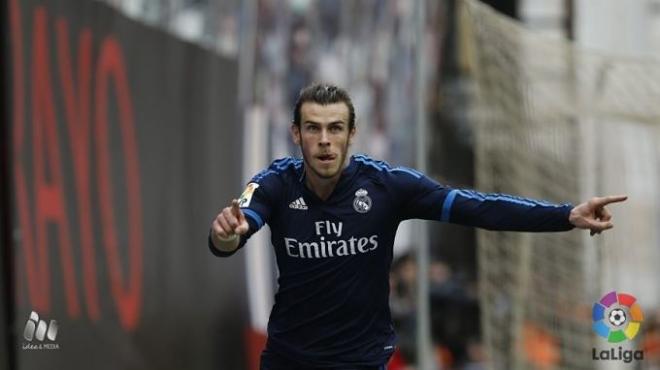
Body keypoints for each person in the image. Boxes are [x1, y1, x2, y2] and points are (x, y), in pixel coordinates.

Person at [208, 83, 626, 370]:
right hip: (289, 359)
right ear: (296, 134)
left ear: (352, 134)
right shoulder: (275, 182)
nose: (324, 140)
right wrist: (226, 236)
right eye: (313, 129)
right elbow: (237, 229)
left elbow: (477, 207)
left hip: (361, 360)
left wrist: (565, 214)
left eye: (335, 128)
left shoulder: (387, 186)